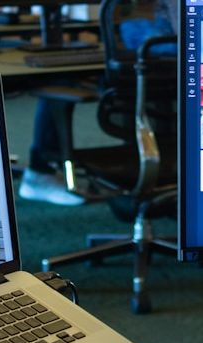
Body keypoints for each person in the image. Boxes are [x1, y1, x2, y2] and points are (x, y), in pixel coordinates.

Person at [18, 0, 177, 206]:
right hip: (180, 146)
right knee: (63, 80)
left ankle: (42, 169)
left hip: (150, 142)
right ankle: (41, 171)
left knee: (61, 80)